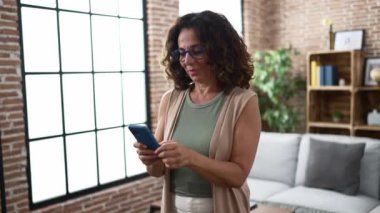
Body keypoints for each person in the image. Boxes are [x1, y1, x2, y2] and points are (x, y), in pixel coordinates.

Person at [134, 10, 261, 213]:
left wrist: (190, 158)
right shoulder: (171, 99)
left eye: (197, 51)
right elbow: (157, 171)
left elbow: (238, 175)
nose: (187, 60)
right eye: (182, 52)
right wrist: (150, 159)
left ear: (221, 51)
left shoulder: (243, 102)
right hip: (173, 206)